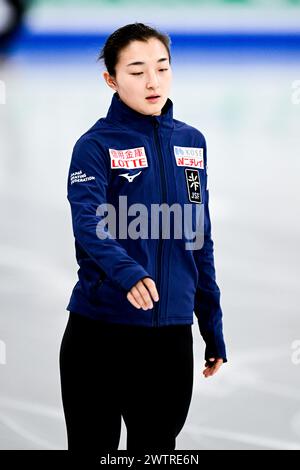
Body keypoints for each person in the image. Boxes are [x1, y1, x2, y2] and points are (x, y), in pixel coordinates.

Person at [59, 22, 227, 454]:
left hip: (168, 344)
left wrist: (211, 325)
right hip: (99, 337)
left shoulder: (192, 142)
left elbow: (199, 239)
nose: (153, 81)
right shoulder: (94, 146)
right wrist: (128, 274)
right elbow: (89, 223)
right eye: (136, 71)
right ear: (111, 80)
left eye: (162, 67)